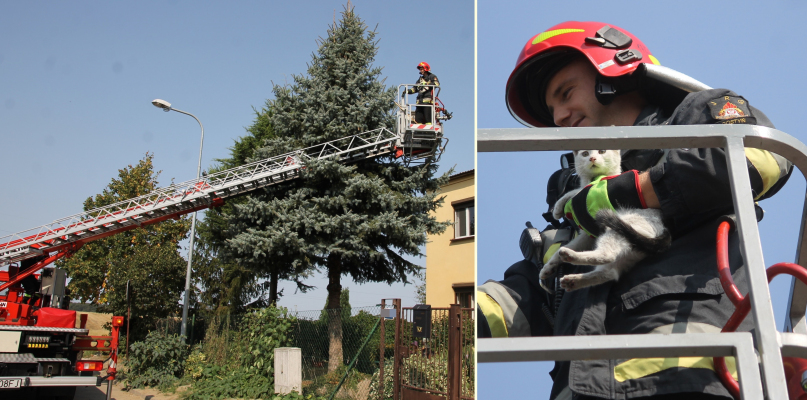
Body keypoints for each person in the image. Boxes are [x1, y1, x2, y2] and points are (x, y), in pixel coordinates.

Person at [477, 21, 793, 400]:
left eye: (566, 93)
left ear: (612, 73)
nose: (560, 116)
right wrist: (455, 320)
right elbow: (528, 297)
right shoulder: (576, 209)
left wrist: (632, 192)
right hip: (583, 391)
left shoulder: (692, 119)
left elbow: (762, 157)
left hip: (691, 378)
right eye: (552, 108)